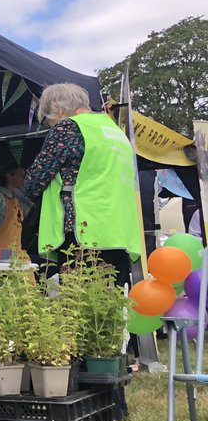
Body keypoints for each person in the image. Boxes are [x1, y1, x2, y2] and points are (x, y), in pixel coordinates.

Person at [22, 82, 142, 283]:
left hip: (83, 230)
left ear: (59, 111)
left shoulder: (68, 127)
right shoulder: (113, 131)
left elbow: (33, 182)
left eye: (46, 121)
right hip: (119, 232)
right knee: (113, 301)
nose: (49, 128)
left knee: (81, 305)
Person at [0, 162, 29, 250]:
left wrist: (24, 191)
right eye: (21, 175)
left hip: (17, 253)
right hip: (2, 253)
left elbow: (32, 210)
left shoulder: (15, 200)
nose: (24, 178)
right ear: (9, 175)